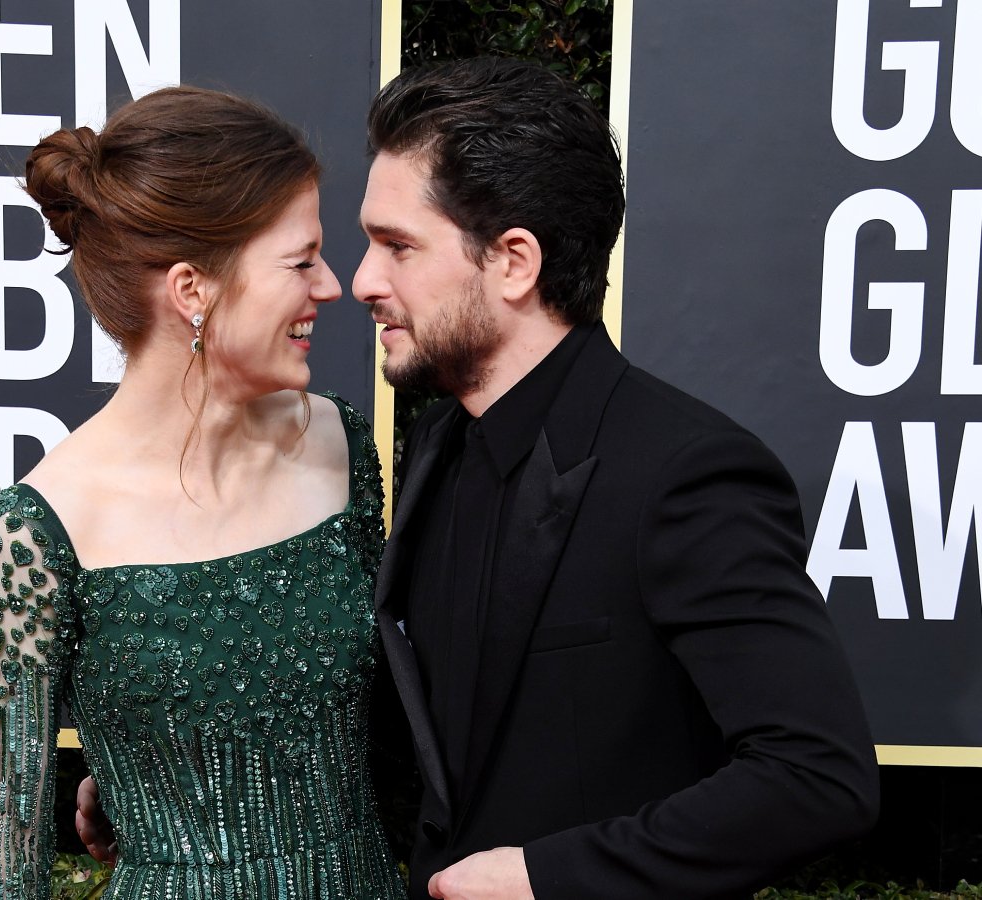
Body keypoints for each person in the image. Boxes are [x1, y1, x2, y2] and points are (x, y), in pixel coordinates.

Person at [79, 58, 881, 899]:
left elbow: (819, 779)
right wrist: (177, 758)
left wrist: (546, 877)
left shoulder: (685, 475)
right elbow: (424, 735)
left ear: (513, 262)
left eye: (398, 246)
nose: (361, 282)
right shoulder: (436, 443)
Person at [0, 85, 405, 900]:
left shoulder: (341, 444)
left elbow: (371, 713)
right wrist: (137, 770)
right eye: (301, 260)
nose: (333, 287)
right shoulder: (37, 529)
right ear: (192, 289)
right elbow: (5, 863)